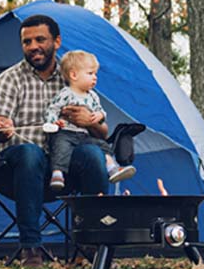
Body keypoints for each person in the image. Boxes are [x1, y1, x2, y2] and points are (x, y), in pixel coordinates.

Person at [0, 14, 109, 268]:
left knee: (93, 155)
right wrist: (0, 128)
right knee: (31, 154)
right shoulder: (9, 79)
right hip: (16, 170)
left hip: (63, 171)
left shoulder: (74, 78)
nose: (33, 46)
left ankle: (90, 247)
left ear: (57, 41)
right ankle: (30, 248)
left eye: (40, 39)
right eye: (26, 42)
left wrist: (90, 122)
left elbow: (103, 133)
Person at [43, 50, 135, 192]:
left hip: (84, 136)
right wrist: (53, 122)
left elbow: (100, 110)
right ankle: (57, 174)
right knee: (60, 147)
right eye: (90, 74)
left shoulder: (92, 96)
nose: (95, 78)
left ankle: (112, 168)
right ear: (74, 75)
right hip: (66, 133)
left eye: (95, 74)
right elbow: (52, 109)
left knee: (101, 145)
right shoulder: (65, 93)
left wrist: (99, 115)